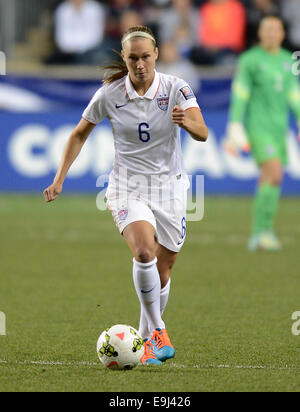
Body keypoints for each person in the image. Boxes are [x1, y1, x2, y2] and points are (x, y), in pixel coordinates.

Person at [43, 26, 208, 365]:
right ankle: (159, 332)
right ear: (125, 58)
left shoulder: (177, 88)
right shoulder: (110, 93)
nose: (140, 64)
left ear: (156, 55)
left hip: (169, 188)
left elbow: (202, 131)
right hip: (126, 186)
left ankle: (147, 341)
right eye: (133, 58)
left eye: (146, 57)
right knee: (144, 251)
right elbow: (78, 134)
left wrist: (186, 123)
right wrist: (60, 178)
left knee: (164, 270)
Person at [225, 16, 300, 252]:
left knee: (272, 179)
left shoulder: (289, 61)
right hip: (258, 128)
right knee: (274, 171)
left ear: (281, 34)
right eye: (266, 29)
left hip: (280, 129)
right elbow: (241, 93)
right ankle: (260, 233)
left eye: (275, 29)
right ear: (259, 33)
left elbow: (293, 95)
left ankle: (263, 232)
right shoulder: (250, 60)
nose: (271, 33)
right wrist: (235, 124)